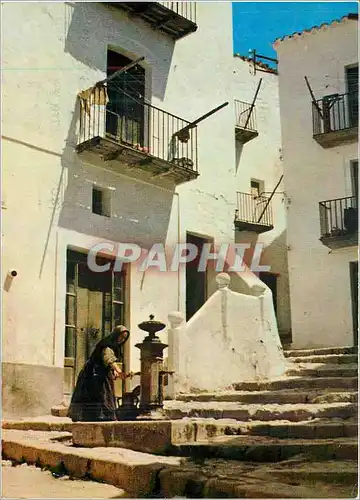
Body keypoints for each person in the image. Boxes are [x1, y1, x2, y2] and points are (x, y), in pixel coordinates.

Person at [67, 325, 130, 422]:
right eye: (121, 337)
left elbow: (109, 363)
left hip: (100, 374)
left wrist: (114, 371)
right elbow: (109, 359)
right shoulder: (107, 345)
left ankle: (100, 418)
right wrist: (119, 371)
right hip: (93, 374)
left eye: (124, 338)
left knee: (103, 396)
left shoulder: (115, 347)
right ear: (116, 335)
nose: (122, 339)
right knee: (99, 396)